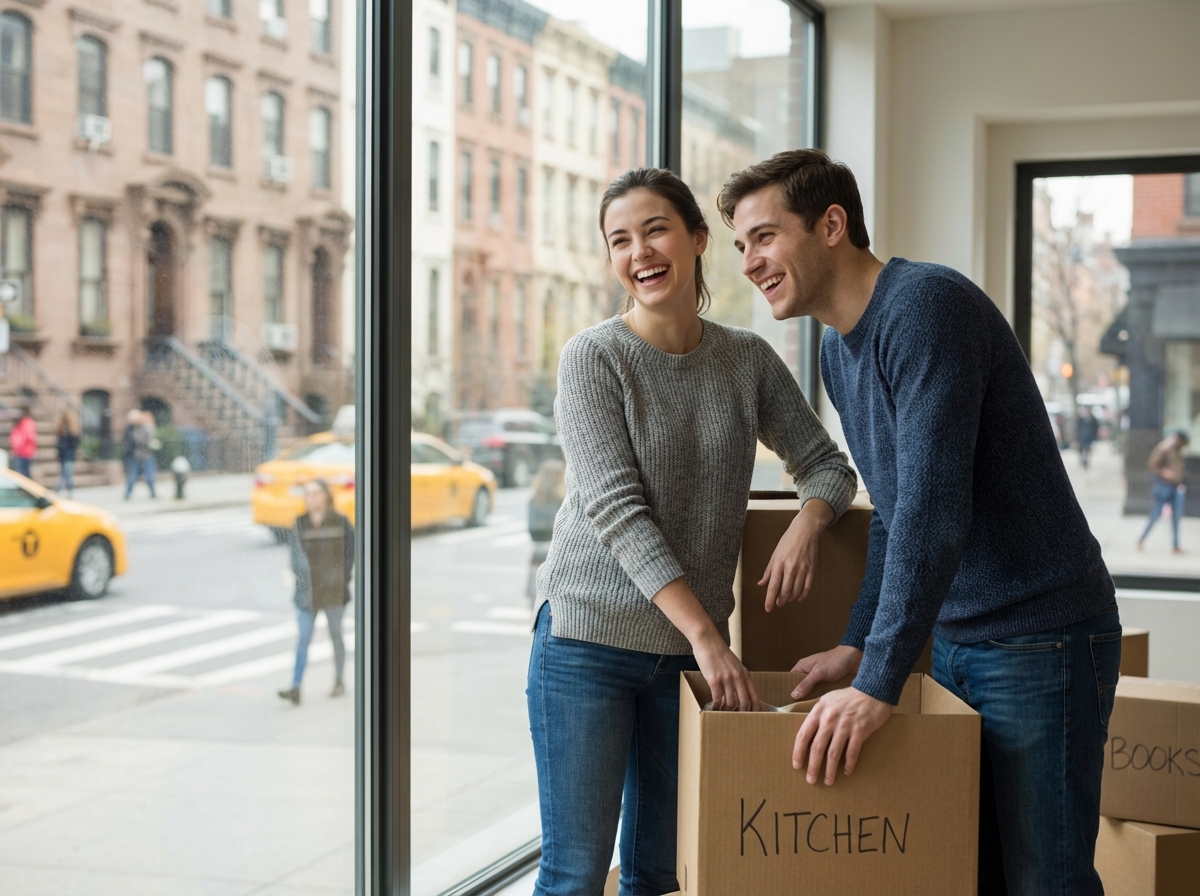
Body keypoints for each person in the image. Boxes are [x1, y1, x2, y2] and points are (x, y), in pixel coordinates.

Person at [719, 149, 1120, 896]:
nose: (749, 261)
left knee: (1047, 881)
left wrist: (879, 680)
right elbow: (897, 515)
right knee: (972, 872)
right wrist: (857, 645)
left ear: (832, 223)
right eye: (742, 245)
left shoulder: (925, 308)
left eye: (764, 236)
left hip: (1040, 639)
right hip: (961, 641)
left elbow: (935, 515)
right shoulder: (840, 352)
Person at [529, 167, 857, 896]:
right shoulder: (593, 358)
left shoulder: (744, 359)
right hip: (588, 643)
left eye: (655, 230)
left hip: (681, 659)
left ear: (698, 239)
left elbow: (828, 466)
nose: (639, 251)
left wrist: (807, 522)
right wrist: (710, 637)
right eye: (620, 240)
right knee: (574, 873)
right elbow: (617, 509)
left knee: (660, 874)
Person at [279, 478, 354, 704]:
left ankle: (339, 679)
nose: (310, 498)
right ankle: (296, 686)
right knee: (303, 638)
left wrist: (342, 578)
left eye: (315, 493)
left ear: (325, 496)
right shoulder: (300, 523)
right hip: (307, 593)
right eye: (307, 493)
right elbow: (294, 556)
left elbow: (350, 553)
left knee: (336, 635)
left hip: (333, 591)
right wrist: (301, 575)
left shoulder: (339, 521)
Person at [1138, 430, 1188, 554]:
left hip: (1176, 487)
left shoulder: (1177, 449)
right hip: (1164, 486)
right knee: (1156, 514)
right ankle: (1141, 539)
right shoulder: (1165, 448)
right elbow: (1152, 465)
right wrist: (1165, 473)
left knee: (1176, 517)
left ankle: (1176, 545)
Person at [526, 458, 565, 604]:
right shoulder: (563, 500)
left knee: (535, 596)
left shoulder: (534, 499)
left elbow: (531, 529)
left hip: (538, 548)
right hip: (558, 551)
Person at [123, 410, 158, 500]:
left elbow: (150, 435)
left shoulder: (145, 427)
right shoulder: (130, 429)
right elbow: (132, 441)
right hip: (135, 455)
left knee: (149, 477)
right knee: (132, 477)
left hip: (146, 455)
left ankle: (153, 494)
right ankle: (127, 495)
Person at [55, 409, 81, 498]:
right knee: (67, 475)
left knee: (64, 475)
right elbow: (76, 442)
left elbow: (58, 444)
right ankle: (68, 492)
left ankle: (59, 491)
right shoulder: (72, 430)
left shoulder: (61, 429)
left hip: (63, 456)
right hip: (69, 456)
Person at [8, 406, 37, 479]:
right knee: (24, 474)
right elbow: (31, 438)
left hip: (21, 451)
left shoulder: (20, 423)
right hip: (26, 452)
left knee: (22, 474)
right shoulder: (28, 423)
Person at [1077, 405, 1099, 471]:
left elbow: (1096, 428)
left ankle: (1086, 461)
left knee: (1087, 449)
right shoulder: (1080, 419)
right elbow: (1077, 428)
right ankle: (1083, 460)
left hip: (1089, 437)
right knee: (1081, 449)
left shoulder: (1093, 419)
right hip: (1082, 436)